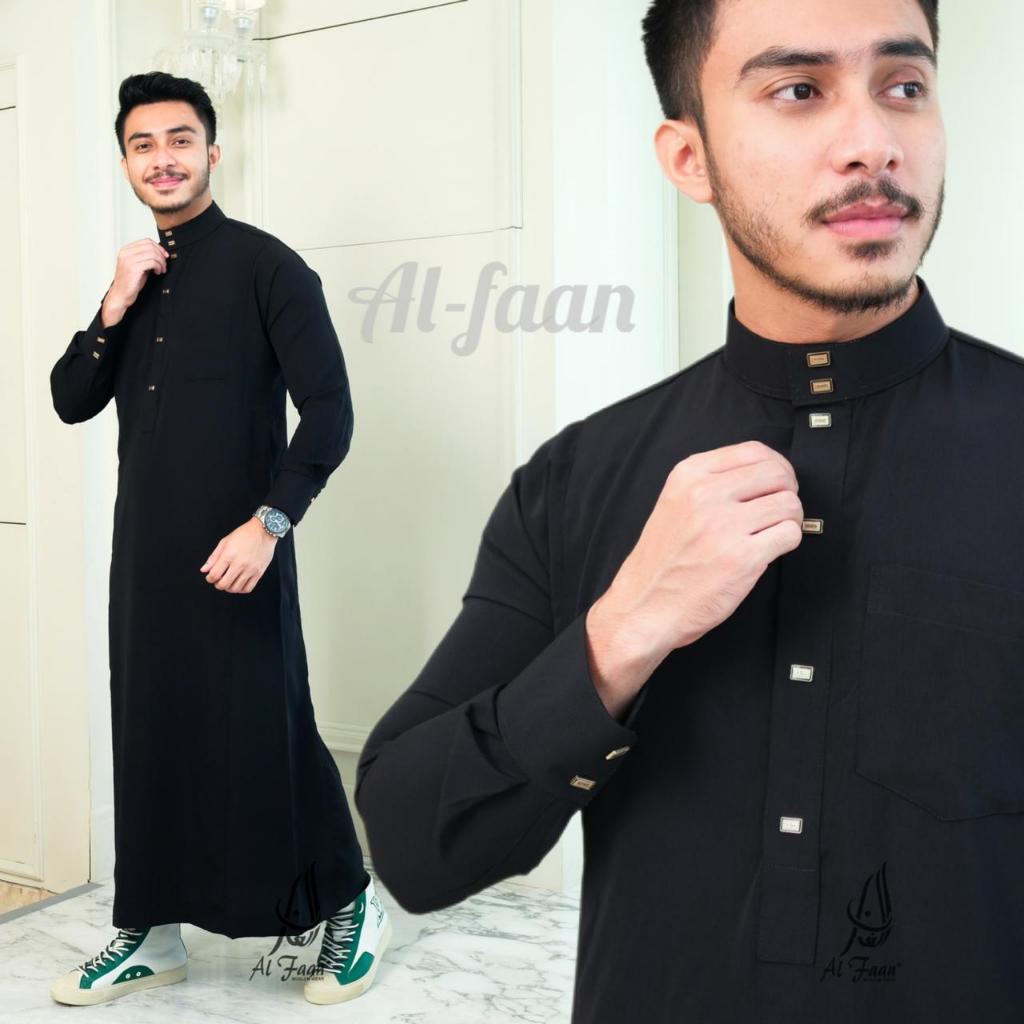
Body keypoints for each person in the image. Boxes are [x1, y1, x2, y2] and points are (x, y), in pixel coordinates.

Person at [357, 1, 1024, 1021]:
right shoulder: (577, 478)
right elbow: (414, 847)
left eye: (904, 86)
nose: (873, 142)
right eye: (798, 90)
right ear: (689, 157)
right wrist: (624, 631)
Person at [48, 71, 390, 1007]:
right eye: (143, 145)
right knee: (150, 730)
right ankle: (150, 932)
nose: (162, 158)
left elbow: (330, 413)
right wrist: (114, 302)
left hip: (243, 550)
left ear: (212, 152)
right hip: (144, 557)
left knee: (269, 729)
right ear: (126, 162)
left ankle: (351, 904)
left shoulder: (268, 267)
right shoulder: (135, 279)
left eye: (179, 140)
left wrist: (270, 523)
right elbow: (71, 399)